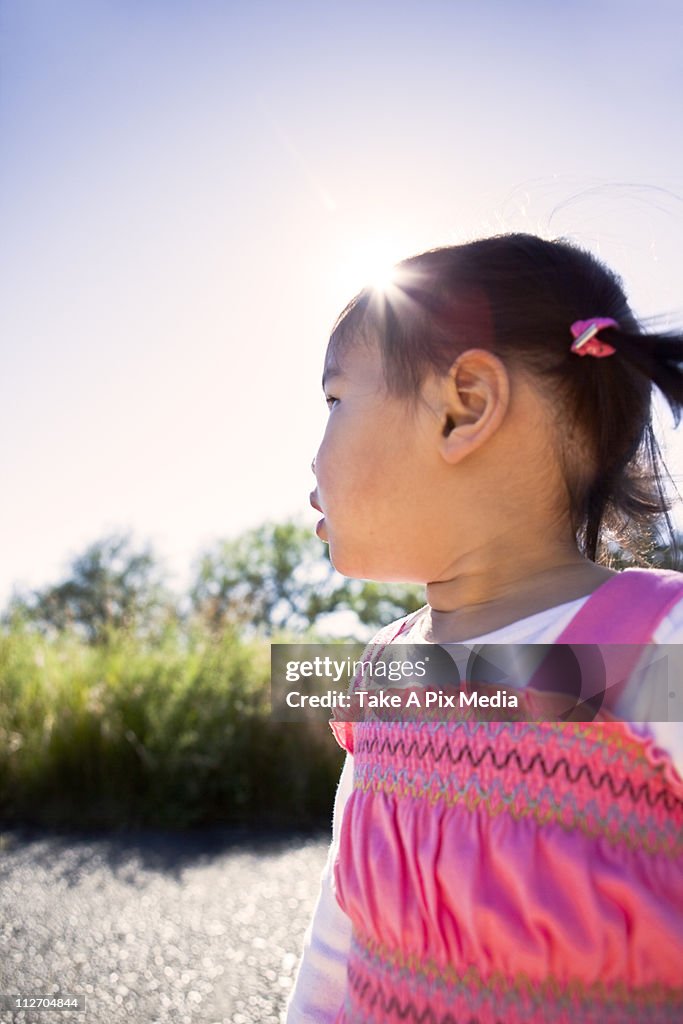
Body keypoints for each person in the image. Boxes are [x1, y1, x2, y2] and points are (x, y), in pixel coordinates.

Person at [285, 233, 683, 1023]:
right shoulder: (387, 675)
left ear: (462, 406)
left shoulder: (648, 646)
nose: (312, 455)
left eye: (334, 401)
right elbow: (341, 936)